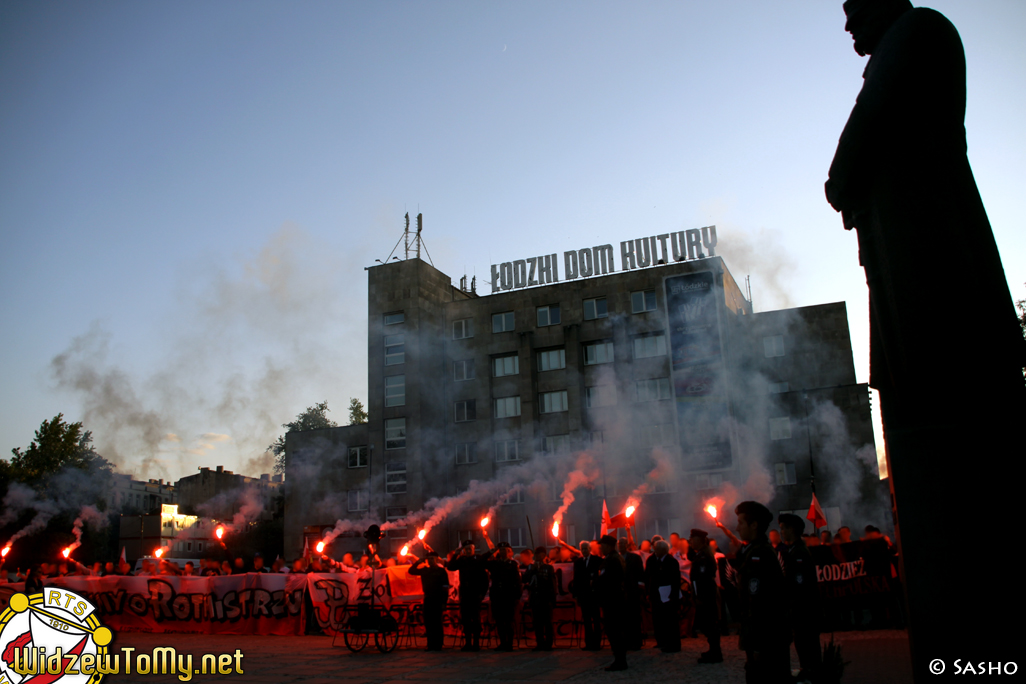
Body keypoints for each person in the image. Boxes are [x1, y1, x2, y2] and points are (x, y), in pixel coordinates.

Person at [825, 1, 1025, 667]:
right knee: (914, 384)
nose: (849, 26)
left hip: (931, 253)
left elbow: (862, 135)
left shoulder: (918, 32)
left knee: (945, 378)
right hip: (903, 257)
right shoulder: (899, 45)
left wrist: (840, 178)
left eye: (855, 9)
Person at [729, 501, 790, 684]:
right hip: (763, 637)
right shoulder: (753, 551)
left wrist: (757, 646)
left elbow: (760, 604)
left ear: (754, 525)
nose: (737, 528)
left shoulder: (760, 555)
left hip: (765, 639)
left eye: (741, 522)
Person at [778, 514, 821, 682]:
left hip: (804, 609)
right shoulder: (795, 550)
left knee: (807, 643)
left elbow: (799, 585)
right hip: (801, 608)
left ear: (792, 529)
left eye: (783, 528)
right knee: (803, 643)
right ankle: (808, 669)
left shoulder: (799, 553)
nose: (781, 532)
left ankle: (812, 673)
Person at [446, 539, 489, 651]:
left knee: (475, 619)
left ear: (474, 549)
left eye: (470, 548)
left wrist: (481, 594)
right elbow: (450, 567)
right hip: (465, 594)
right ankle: (468, 643)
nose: (468, 551)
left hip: (475, 594)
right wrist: (456, 554)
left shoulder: (478, 559)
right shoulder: (462, 560)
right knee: (465, 619)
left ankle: (476, 643)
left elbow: (484, 579)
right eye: (466, 549)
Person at [689, 529, 723, 664]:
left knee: (710, 624)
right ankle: (713, 649)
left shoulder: (704, 556)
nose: (690, 541)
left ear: (699, 540)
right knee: (707, 624)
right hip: (703, 595)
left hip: (706, 596)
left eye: (692, 539)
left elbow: (702, 579)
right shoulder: (699, 555)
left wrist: (699, 597)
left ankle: (716, 652)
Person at [596, 535, 627, 671]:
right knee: (613, 631)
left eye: (602, 545)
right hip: (611, 600)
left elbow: (611, 580)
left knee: (614, 631)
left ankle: (620, 660)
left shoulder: (613, 559)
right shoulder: (611, 558)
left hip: (613, 600)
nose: (600, 548)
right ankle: (619, 659)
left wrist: (597, 584)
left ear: (608, 546)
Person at [484, 540, 522, 651]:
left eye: (505, 550)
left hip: (509, 596)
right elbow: (482, 561)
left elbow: (517, 581)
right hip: (497, 596)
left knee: (508, 621)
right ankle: (502, 642)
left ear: (509, 551)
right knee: (499, 621)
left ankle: (509, 644)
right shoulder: (495, 564)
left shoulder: (513, 564)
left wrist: (517, 597)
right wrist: (491, 551)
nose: (503, 552)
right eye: (500, 550)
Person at [409, 551, 450, 651]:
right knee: (428, 622)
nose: (430, 560)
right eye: (429, 559)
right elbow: (411, 571)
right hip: (428, 598)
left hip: (438, 598)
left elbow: (445, 587)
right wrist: (418, 562)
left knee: (437, 623)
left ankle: (438, 644)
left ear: (436, 559)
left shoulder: (441, 571)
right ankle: (430, 644)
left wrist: (444, 602)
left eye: (432, 558)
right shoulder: (425, 570)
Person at [645, 539, 681, 653]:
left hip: (668, 595)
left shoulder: (671, 561)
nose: (654, 550)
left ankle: (673, 643)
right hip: (656, 594)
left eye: (656, 548)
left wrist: (673, 594)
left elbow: (676, 579)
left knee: (670, 620)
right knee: (658, 619)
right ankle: (661, 641)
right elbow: (648, 576)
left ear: (663, 550)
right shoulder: (651, 560)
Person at [523, 545, 557, 651]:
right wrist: (531, 571)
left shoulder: (548, 567)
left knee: (547, 622)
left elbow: (552, 584)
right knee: (537, 622)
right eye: (535, 554)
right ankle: (540, 643)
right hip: (535, 598)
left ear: (543, 555)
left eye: (538, 554)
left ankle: (548, 643)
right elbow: (525, 579)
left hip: (546, 598)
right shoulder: (531, 567)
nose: (536, 556)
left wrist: (553, 600)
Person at [571, 540, 603, 650]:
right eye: (582, 549)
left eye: (586, 548)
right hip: (583, 595)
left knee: (596, 619)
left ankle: (597, 643)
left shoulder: (597, 560)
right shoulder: (578, 562)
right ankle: (589, 643)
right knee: (587, 620)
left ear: (589, 549)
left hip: (594, 595)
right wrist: (576, 595)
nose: (584, 551)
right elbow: (576, 579)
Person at [618, 537, 645, 650]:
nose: (621, 546)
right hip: (620, 592)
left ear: (627, 545)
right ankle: (626, 641)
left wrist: (639, 588)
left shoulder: (635, 558)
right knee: (623, 619)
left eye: (623, 543)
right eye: (619, 544)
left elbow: (640, 574)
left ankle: (636, 641)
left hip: (632, 591)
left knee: (634, 617)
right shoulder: (616, 558)